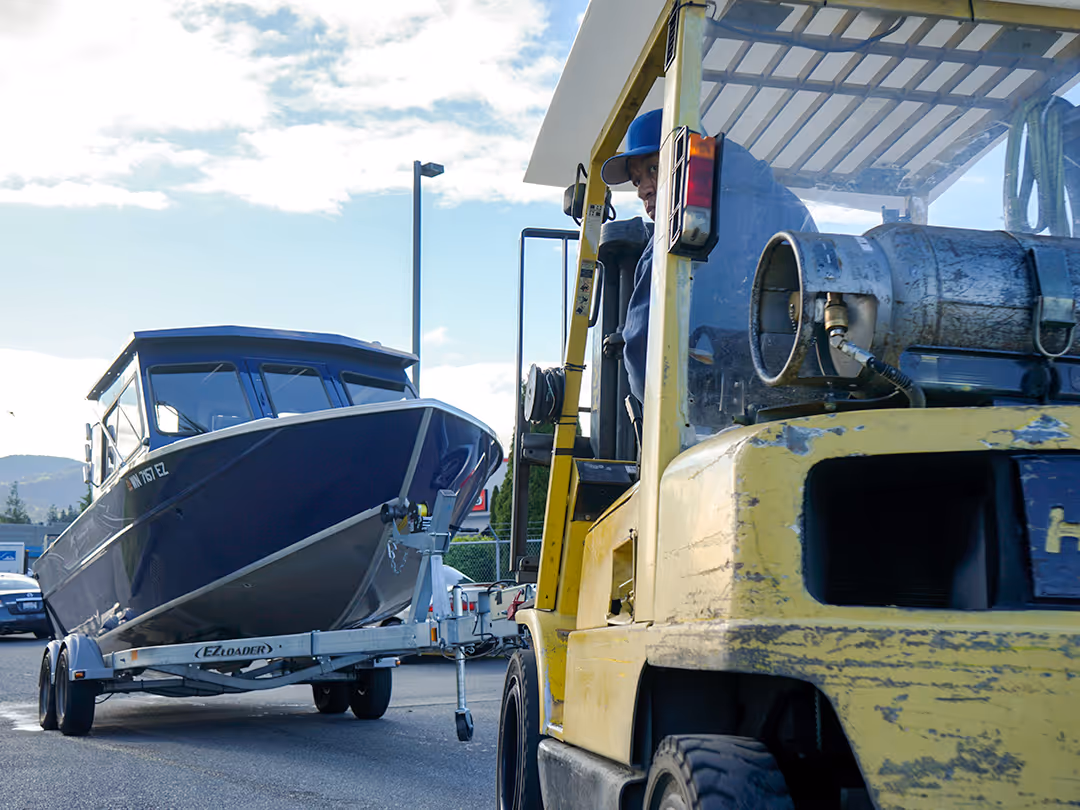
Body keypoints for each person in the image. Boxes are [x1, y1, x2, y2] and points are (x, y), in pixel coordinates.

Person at [601, 109, 816, 415]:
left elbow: (643, 350)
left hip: (709, 421)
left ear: (686, 157)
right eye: (637, 180)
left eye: (653, 169)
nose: (643, 189)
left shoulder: (678, 229)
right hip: (801, 403)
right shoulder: (788, 205)